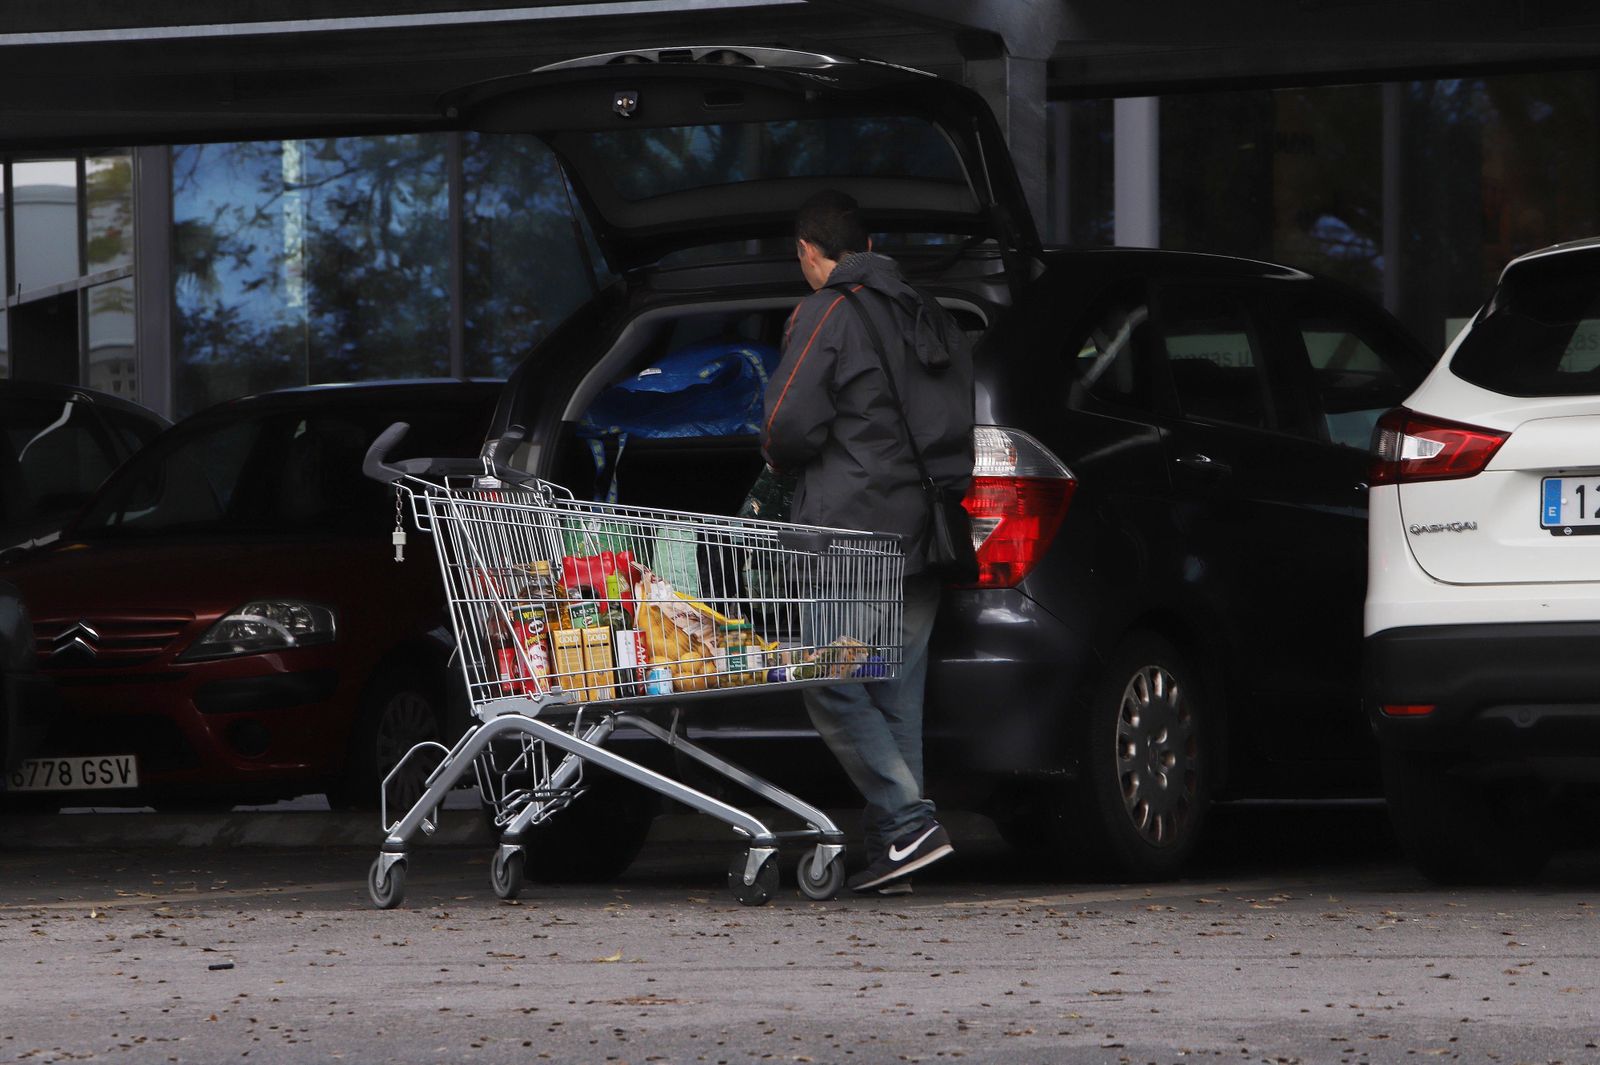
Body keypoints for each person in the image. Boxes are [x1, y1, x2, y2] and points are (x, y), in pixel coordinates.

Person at [761, 189, 974, 894]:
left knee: (829, 676)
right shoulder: (925, 309)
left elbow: (787, 424)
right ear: (872, 248)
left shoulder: (828, 313)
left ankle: (909, 821)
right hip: (925, 529)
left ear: (807, 254)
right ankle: (898, 848)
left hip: (851, 533)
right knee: (893, 693)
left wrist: (786, 458)